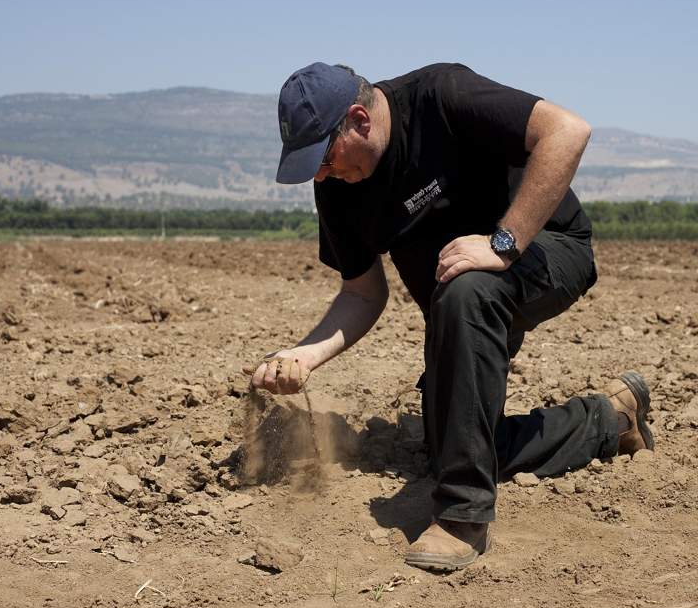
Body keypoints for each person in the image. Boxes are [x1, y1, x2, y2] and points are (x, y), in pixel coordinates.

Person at [244, 62, 654, 572]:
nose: (321, 174)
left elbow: (567, 131)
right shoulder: (338, 187)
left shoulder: (442, 95)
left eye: (324, 156)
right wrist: (303, 355)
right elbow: (360, 293)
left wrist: (504, 243)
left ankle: (463, 517)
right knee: (458, 447)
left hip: (546, 248)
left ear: (359, 119)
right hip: (459, 307)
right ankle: (609, 421)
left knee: (468, 287)